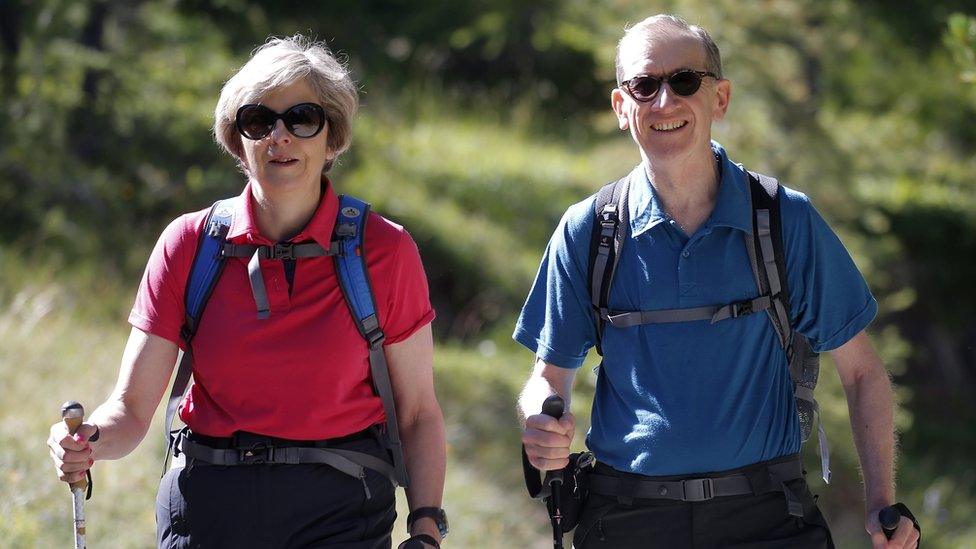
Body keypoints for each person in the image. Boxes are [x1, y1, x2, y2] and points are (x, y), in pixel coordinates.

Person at [516, 14, 919, 549]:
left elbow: (863, 373)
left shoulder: (783, 220)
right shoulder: (589, 230)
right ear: (621, 106)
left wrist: (879, 501)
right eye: (644, 85)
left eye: (685, 81)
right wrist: (540, 424)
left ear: (720, 98)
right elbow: (547, 380)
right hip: (625, 520)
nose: (664, 102)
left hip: (769, 519)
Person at [47, 35, 448, 549]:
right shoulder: (190, 244)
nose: (279, 136)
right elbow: (129, 410)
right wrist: (87, 441)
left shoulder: (384, 251)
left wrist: (426, 528)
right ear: (238, 140)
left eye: (302, 118)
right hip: (207, 512)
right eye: (259, 121)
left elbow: (418, 412)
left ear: (333, 137)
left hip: (341, 518)